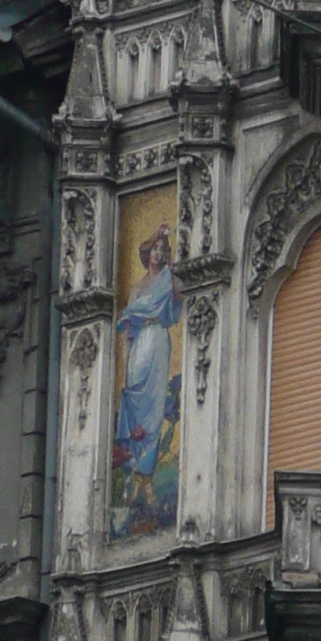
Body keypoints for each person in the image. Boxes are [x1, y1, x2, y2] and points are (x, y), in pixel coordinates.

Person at [110, 223, 181, 534]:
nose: (159, 255)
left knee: (153, 413)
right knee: (137, 405)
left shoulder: (168, 279)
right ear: (146, 254)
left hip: (159, 343)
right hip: (140, 348)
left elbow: (179, 296)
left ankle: (147, 479)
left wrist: (177, 258)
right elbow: (126, 332)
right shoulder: (138, 289)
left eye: (163, 252)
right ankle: (134, 475)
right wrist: (124, 370)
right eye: (155, 250)